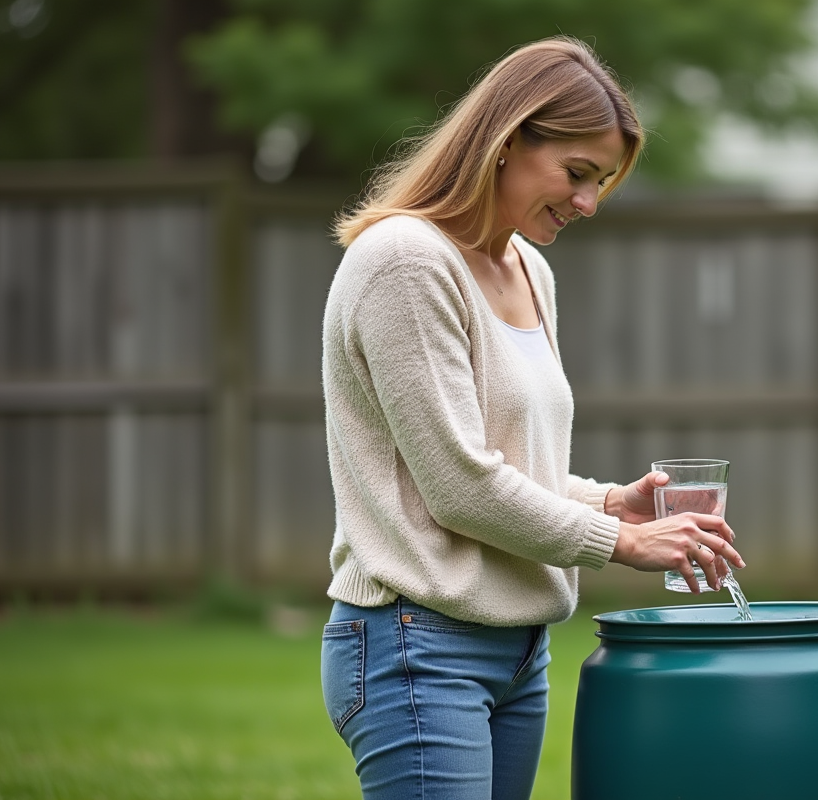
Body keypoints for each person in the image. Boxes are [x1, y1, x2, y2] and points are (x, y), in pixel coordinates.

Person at [318, 35, 744, 800]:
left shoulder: (528, 269)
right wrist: (623, 540)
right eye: (577, 174)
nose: (587, 203)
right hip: (417, 641)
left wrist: (612, 500)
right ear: (508, 141)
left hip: (519, 647)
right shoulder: (408, 261)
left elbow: (508, 461)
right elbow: (457, 485)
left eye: (602, 183)